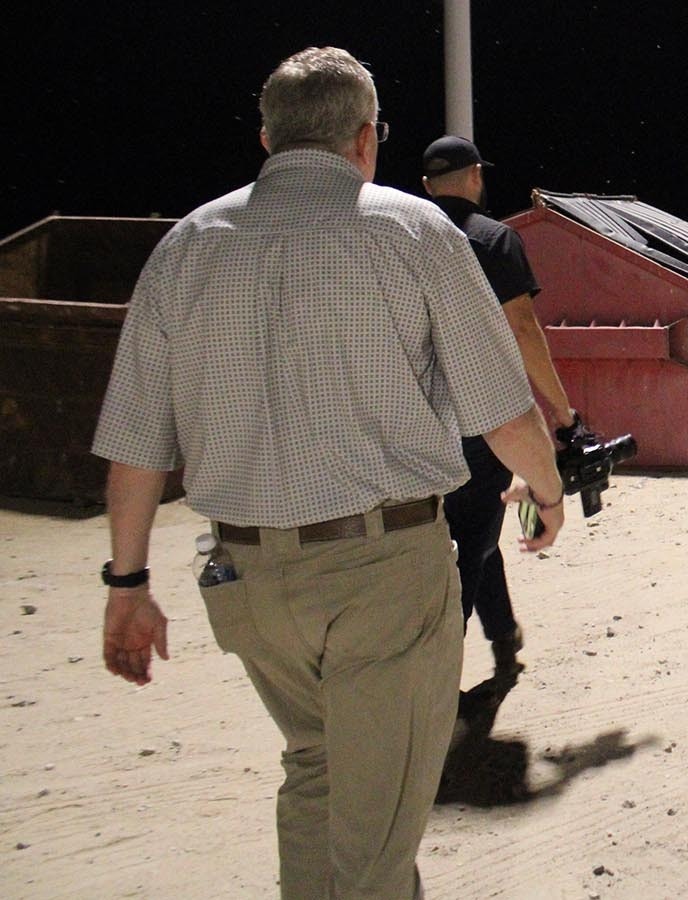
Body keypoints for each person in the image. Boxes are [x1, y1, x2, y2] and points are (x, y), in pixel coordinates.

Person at [92, 47, 567, 899]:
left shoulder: (186, 246)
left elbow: (134, 444)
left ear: (269, 135)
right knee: (381, 843)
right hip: (379, 577)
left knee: (315, 766)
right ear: (366, 140)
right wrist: (547, 490)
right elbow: (503, 410)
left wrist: (127, 582)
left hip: (246, 581)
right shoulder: (414, 232)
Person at [422, 134, 583, 678]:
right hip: (479, 422)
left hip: (407, 423)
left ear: (426, 186)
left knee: (475, 526)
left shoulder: (398, 237)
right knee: (470, 540)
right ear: (474, 178)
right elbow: (522, 329)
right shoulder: (495, 240)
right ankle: (436, 694)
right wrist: (562, 413)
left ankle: (503, 638)